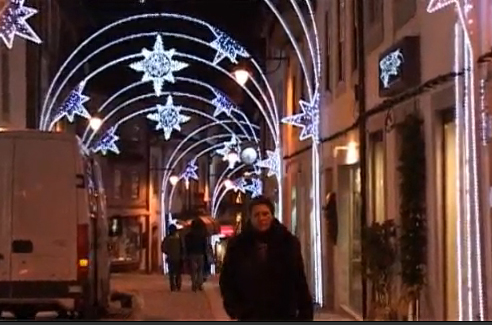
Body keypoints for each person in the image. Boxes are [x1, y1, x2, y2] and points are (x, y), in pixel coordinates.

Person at [219, 196, 314, 321]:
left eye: (265, 214)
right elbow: (227, 279)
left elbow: (299, 279)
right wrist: (235, 308)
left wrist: (305, 313)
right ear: (250, 218)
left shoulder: (287, 243)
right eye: (256, 215)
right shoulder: (238, 246)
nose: (261, 218)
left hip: (283, 315)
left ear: (272, 215)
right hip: (250, 315)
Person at [185, 219, 207, 291]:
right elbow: (205, 245)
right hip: (200, 254)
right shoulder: (202, 235)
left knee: (193, 270)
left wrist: (187, 253)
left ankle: (194, 284)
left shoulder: (189, 235)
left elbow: (187, 245)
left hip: (192, 254)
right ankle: (199, 284)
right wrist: (205, 253)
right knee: (200, 270)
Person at [162, 225, 184, 291]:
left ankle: (172, 286)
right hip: (178, 258)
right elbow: (182, 248)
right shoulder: (179, 239)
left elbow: (163, 248)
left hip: (170, 258)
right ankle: (178, 285)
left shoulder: (167, 239)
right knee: (178, 272)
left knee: (171, 273)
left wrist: (168, 252)